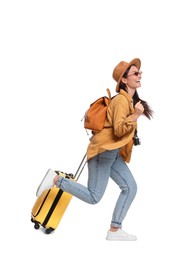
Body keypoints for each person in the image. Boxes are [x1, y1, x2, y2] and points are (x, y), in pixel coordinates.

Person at [36, 58, 153, 241]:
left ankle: (115, 229)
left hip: (111, 153)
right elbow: (119, 129)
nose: (139, 76)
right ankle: (56, 179)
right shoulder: (122, 101)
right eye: (135, 73)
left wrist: (135, 114)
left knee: (130, 187)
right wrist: (136, 115)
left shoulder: (128, 101)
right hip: (103, 153)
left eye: (140, 73)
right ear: (124, 80)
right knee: (94, 197)